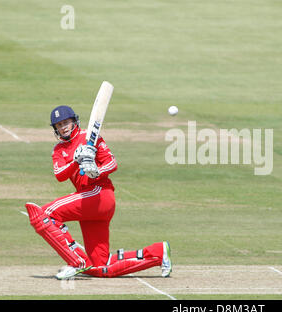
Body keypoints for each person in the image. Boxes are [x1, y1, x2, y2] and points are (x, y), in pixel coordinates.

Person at [25, 105, 172, 280]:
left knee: (45, 214)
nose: (63, 127)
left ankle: (77, 262)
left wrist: (96, 171)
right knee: (100, 267)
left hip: (100, 194)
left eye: (66, 122)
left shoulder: (90, 138)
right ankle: (157, 253)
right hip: (89, 203)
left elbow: (112, 163)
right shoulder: (58, 149)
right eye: (58, 125)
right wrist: (76, 160)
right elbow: (60, 175)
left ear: (74, 122)